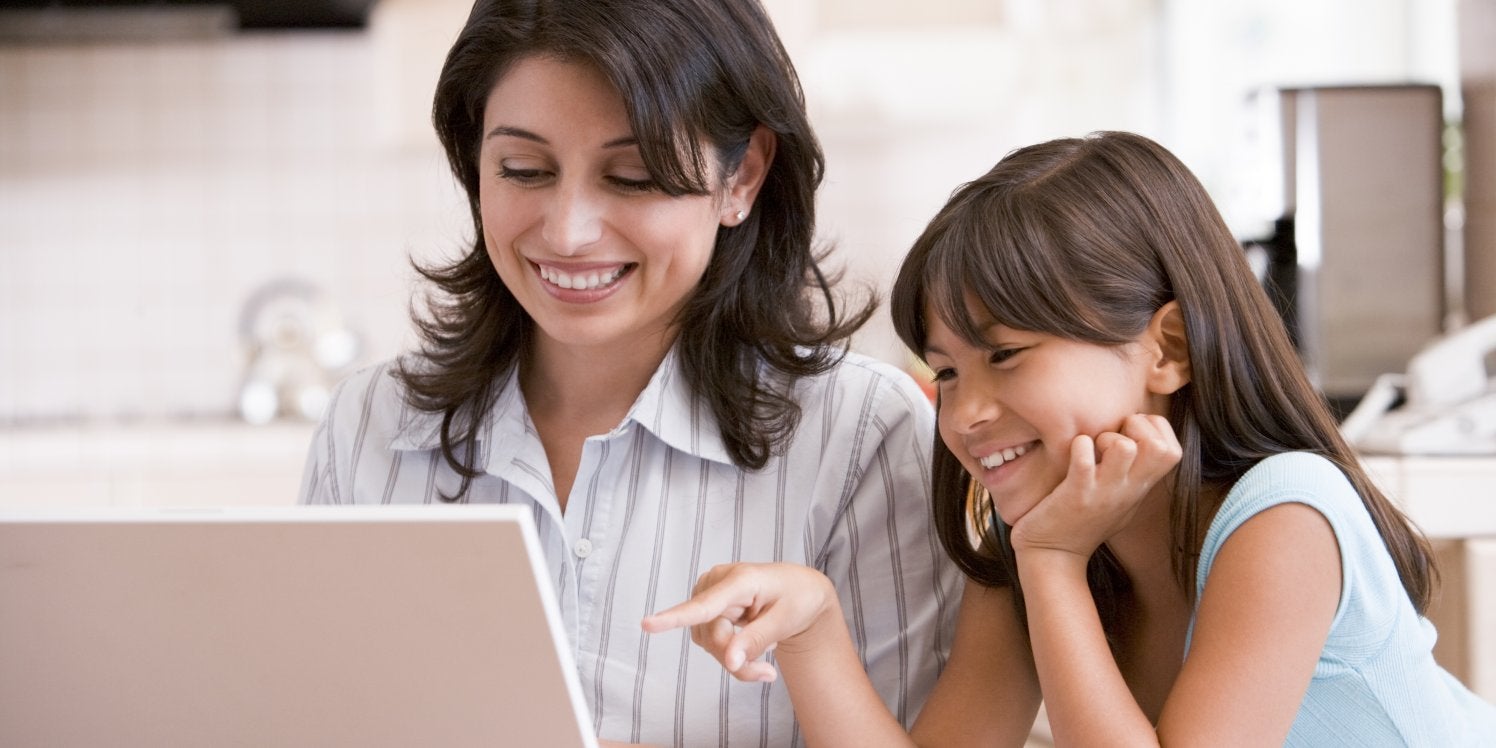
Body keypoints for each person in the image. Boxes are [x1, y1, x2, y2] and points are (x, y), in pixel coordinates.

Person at [644, 131, 1496, 745]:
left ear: (1165, 349)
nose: (964, 413)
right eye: (945, 372)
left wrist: (1051, 564)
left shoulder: (1283, 518)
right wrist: (812, 629)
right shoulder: (1040, 540)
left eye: (1006, 355)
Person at [297, 0, 961, 745]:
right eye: (524, 170)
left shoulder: (864, 438)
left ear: (740, 177)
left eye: (635, 177)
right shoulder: (368, 428)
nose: (568, 231)